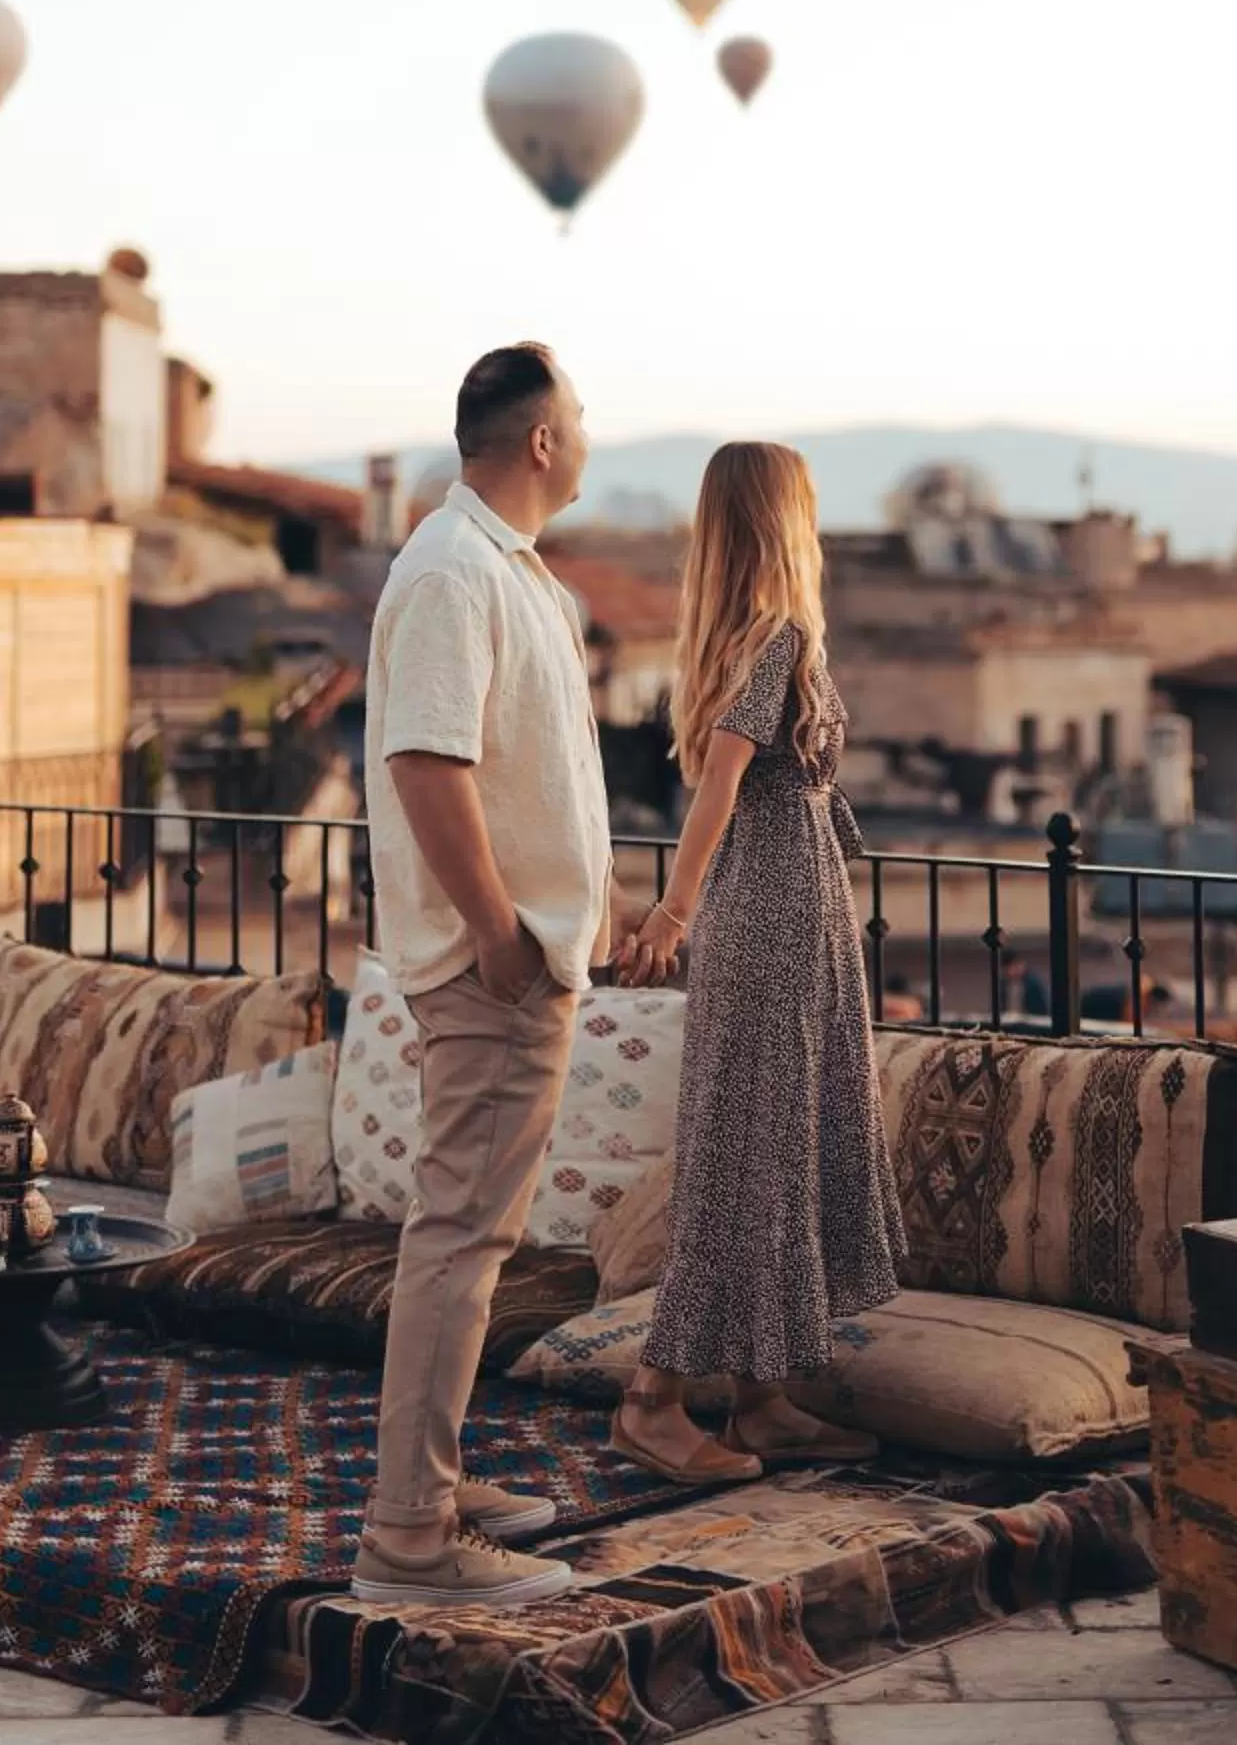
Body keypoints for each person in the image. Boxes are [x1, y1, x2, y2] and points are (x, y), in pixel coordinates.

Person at [351, 343, 613, 1611]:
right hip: (493, 964)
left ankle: (431, 1492)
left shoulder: (501, 572)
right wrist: (501, 933)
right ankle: (411, 1538)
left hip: (513, 956)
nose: (588, 436)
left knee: (471, 1235)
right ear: (542, 441)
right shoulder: (456, 571)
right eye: (579, 418)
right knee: (459, 1238)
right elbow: (425, 762)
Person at [609, 442, 906, 1483]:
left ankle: (761, 1399)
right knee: (745, 1162)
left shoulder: (736, 641)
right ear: (786, 521)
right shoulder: (775, 639)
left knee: (769, 1151)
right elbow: (721, 785)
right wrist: (672, 911)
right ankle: (652, 1398)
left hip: (786, 910)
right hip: (771, 917)